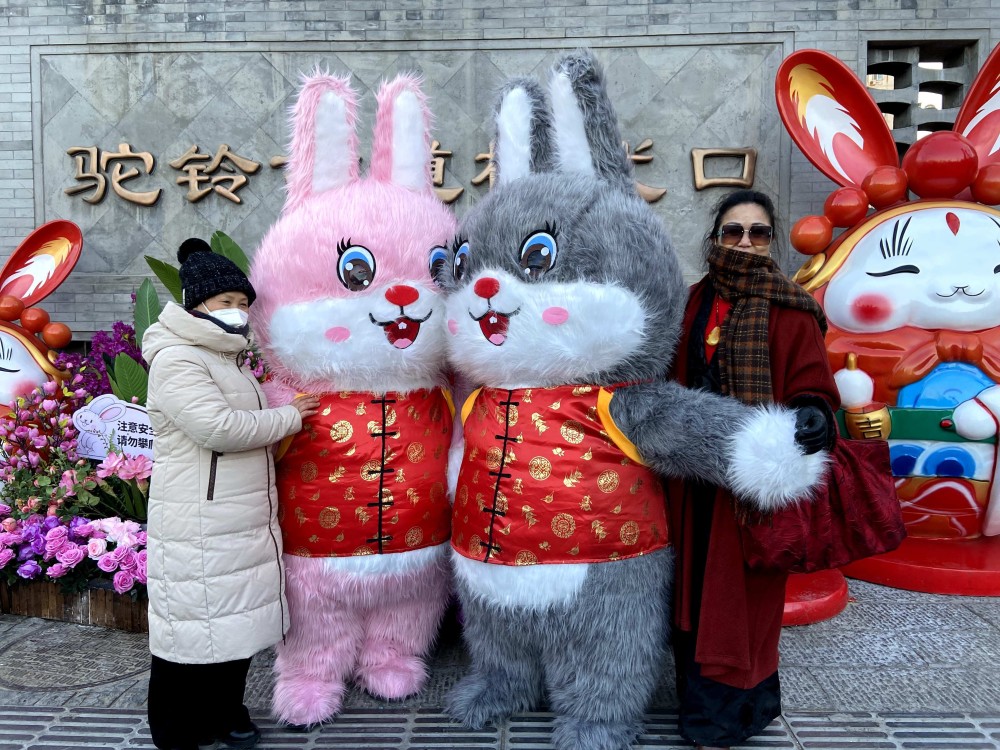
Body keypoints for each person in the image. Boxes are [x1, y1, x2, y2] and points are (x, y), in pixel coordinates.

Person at [667, 190, 838, 750]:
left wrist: (812, 413)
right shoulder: (688, 302)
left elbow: (812, 384)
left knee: (743, 603)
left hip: (751, 488)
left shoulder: (792, 309)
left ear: (771, 242)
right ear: (714, 238)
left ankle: (730, 718)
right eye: (733, 231)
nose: (745, 241)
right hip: (689, 483)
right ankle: (695, 704)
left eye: (758, 232)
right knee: (689, 596)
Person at [142, 238, 319, 750]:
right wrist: (289, 417)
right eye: (226, 303)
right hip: (198, 519)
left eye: (243, 304)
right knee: (190, 631)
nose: (238, 313)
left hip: (235, 517)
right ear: (197, 304)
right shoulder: (178, 359)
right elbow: (216, 427)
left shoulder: (226, 357)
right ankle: (177, 730)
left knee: (233, 626)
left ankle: (225, 714)